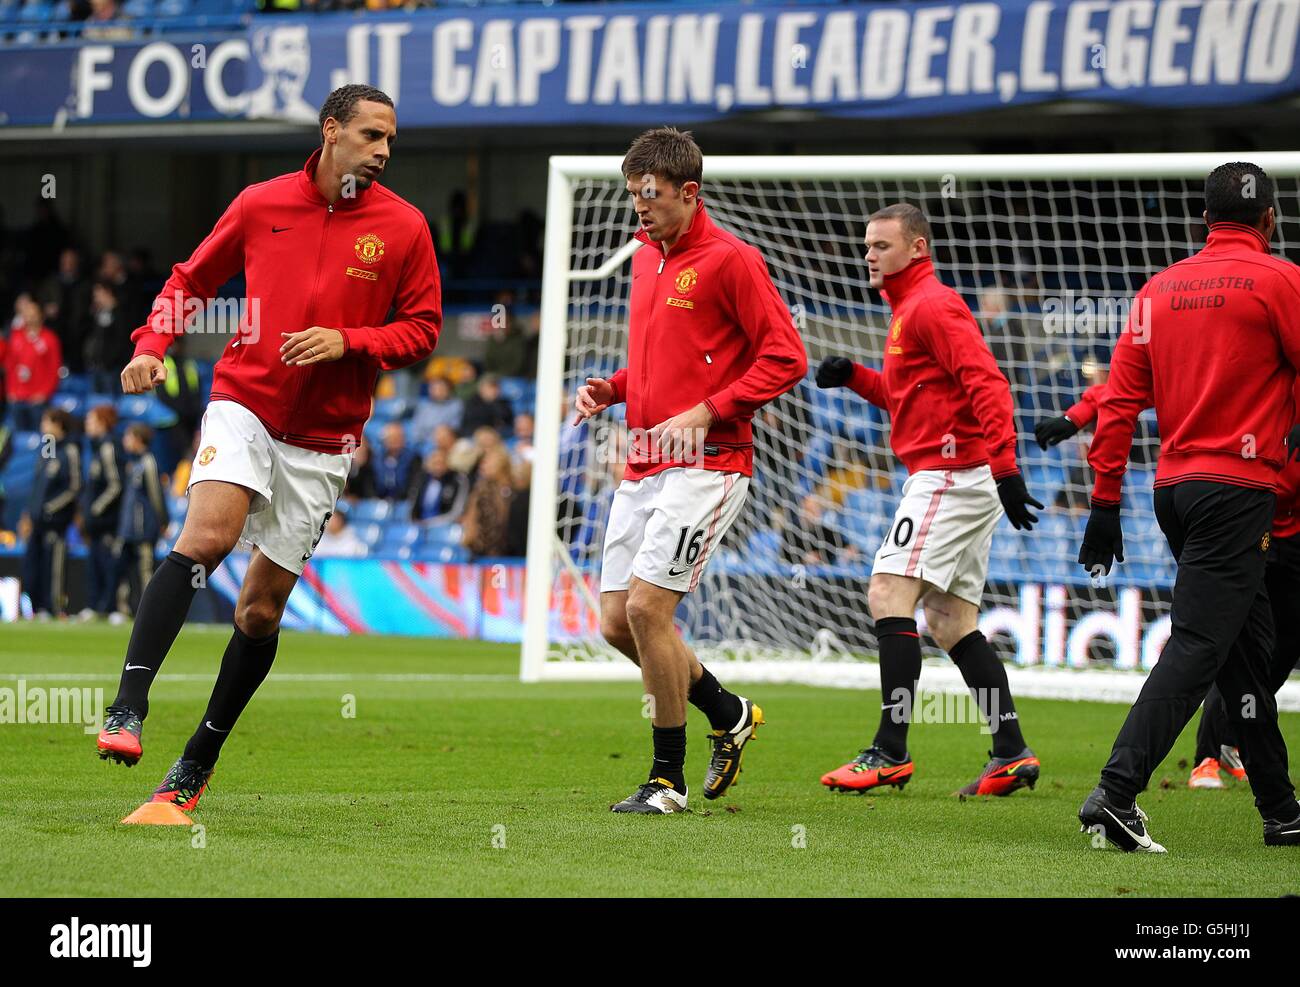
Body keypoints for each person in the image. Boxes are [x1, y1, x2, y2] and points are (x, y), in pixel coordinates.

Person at [94, 84, 442, 818]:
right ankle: (128, 705)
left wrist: (353, 340)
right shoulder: (260, 204)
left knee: (258, 612)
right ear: (331, 131)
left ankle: (196, 762)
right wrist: (152, 342)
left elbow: (423, 329)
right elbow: (192, 279)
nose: (383, 152)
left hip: (324, 440)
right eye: (372, 136)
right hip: (244, 400)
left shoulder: (406, 227)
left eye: (390, 141)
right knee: (207, 536)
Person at [574, 127, 807, 814]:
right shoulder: (646, 257)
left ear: (689, 191)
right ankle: (728, 711)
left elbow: (786, 356)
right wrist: (613, 388)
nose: (639, 209)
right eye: (632, 196)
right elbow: (664, 359)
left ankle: (666, 779)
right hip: (646, 458)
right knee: (617, 623)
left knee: (649, 608)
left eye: (651, 197)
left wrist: (709, 410)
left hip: (709, 463)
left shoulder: (731, 261)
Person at [1076, 162, 1300, 851]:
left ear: (1203, 221)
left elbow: (1116, 404)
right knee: (1203, 643)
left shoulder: (1157, 290)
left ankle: (1282, 809)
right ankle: (1115, 791)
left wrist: (1104, 502)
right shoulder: (1282, 282)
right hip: (1240, 489)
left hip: (1173, 490)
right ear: (1270, 219)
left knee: (1240, 654)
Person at [815, 203, 1044, 798]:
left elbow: (987, 382)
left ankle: (889, 750)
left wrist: (1008, 467)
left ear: (917, 249)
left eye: (882, 245)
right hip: (958, 473)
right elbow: (909, 398)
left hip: (949, 472)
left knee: (887, 591)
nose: (869, 254)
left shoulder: (933, 305)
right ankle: (1010, 751)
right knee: (950, 621)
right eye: (866, 245)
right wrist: (856, 378)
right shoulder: (906, 312)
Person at [19, 408, 80, 618]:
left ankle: (55, 607)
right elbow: (39, 485)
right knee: (32, 565)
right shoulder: (47, 448)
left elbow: (73, 487)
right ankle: (36, 608)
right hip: (37, 520)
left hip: (55, 521)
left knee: (53, 565)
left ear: (58, 425)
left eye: (47, 422)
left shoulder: (69, 451)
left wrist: (49, 509)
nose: (43, 426)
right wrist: (30, 512)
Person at [114, 424, 169, 615]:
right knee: (126, 570)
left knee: (144, 571)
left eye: (128, 437)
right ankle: (125, 609)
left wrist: (163, 521)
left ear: (138, 439)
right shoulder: (133, 463)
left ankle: (148, 612)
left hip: (143, 529)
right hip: (128, 529)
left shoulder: (148, 462)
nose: (125, 441)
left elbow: (156, 495)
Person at [78, 404, 124, 621]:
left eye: (92, 420)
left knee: (109, 563)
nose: (87, 424)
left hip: (108, 520)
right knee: (94, 563)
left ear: (103, 423)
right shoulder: (96, 448)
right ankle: (96, 605)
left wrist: (96, 508)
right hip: (96, 522)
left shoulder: (108, 448)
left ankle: (113, 607)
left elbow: (115, 484)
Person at [4, 292, 63, 430]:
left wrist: (45, 392)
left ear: (41, 315)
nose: (30, 317)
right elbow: (10, 365)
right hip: (17, 397)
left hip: (38, 399)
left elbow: (55, 369)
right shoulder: (16, 336)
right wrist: (11, 390)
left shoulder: (50, 339)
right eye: (27, 313)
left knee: (40, 436)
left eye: (33, 313)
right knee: (18, 439)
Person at [461, 448, 515, 558]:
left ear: (502, 464)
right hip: (483, 549)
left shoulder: (516, 488)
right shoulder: (481, 490)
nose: (483, 466)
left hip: (511, 549)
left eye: (488, 462)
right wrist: (468, 538)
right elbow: (471, 519)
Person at [409, 448, 468, 525]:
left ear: (448, 464)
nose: (438, 467)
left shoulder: (458, 480)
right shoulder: (421, 478)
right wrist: (414, 520)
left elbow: (457, 511)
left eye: (441, 463)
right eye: (435, 463)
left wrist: (431, 523)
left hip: (444, 525)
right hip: (420, 524)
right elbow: (412, 504)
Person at [459, 372, 513, 437]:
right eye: (491, 386)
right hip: (474, 437)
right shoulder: (472, 402)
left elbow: (506, 419)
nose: (495, 390)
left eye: (497, 387)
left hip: (498, 437)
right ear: (481, 388)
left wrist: (494, 402)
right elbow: (477, 421)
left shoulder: (503, 402)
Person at [374, 421, 415, 501]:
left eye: (398, 437)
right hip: (380, 500)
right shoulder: (377, 458)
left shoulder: (413, 459)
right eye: (391, 438)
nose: (394, 441)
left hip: (403, 500)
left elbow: (412, 486)